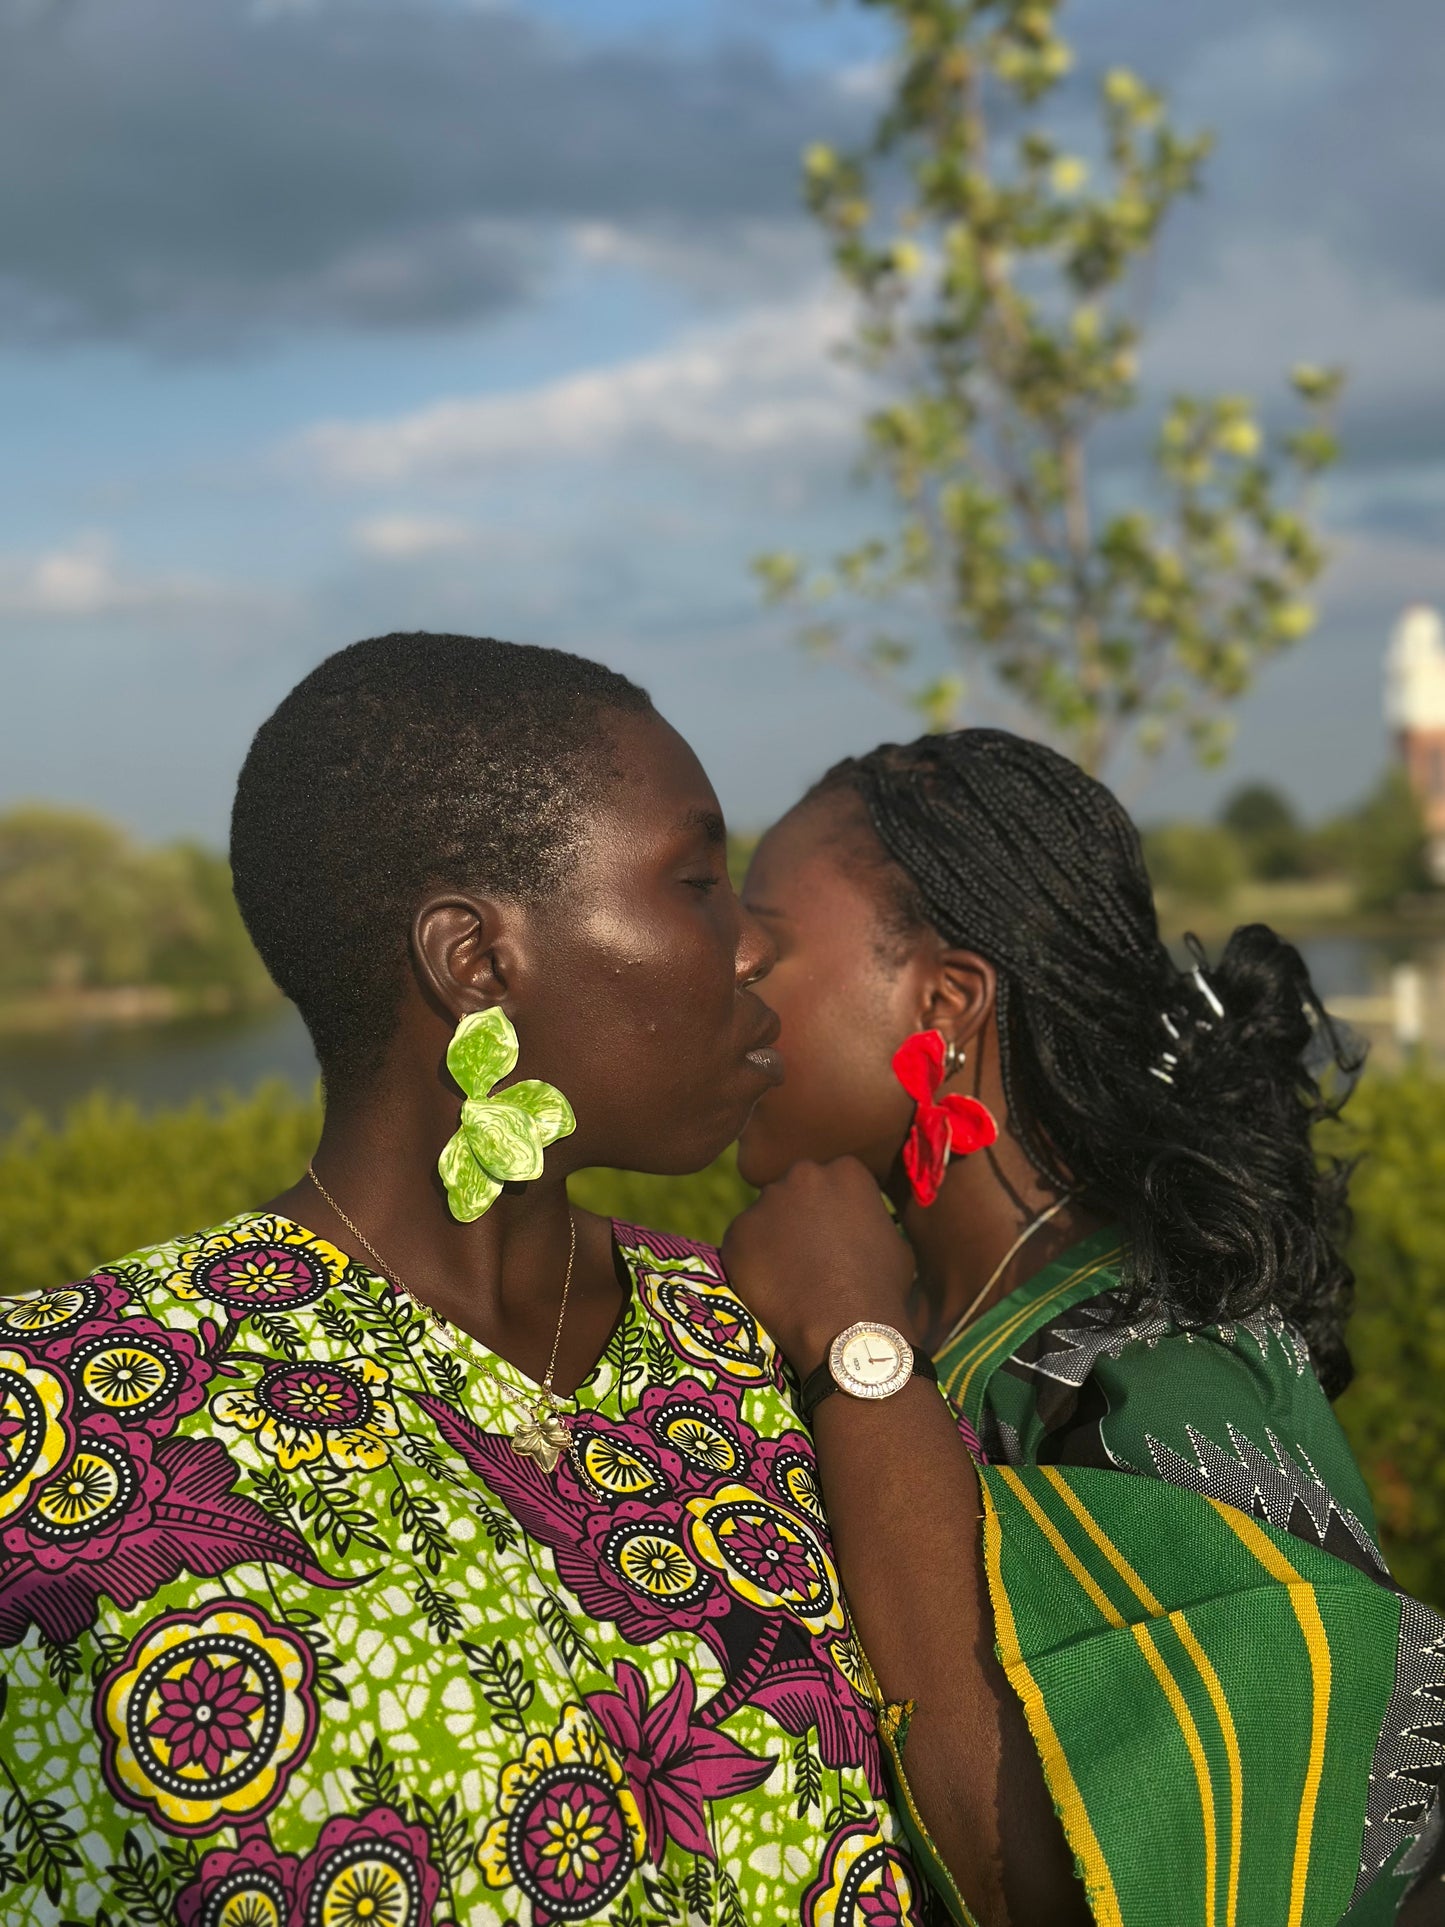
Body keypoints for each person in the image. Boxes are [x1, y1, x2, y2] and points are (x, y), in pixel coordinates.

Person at [0, 635, 928, 1927]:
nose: (746, 953)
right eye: (698, 881)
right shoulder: (59, 1421)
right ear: (476, 961)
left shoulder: (744, 1336)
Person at [721, 727, 1445, 1927]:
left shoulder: (1159, 1370)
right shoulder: (915, 1311)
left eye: (769, 945)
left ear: (943, 1004)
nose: (724, 972)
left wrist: (852, 1347)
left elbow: (1120, 1880)